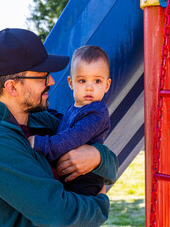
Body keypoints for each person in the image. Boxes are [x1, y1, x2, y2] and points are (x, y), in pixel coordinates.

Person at [0, 28, 118, 227]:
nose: (52, 81)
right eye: (42, 76)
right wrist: (100, 205)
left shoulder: (42, 119)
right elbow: (60, 216)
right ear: (12, 87)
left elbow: (111, 165)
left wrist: (97, 157)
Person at [28, 45, 112, 196]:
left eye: (97, 81)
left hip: (85, 182)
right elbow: (65, 122)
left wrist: (42, 144)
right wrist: (46, 112)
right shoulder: (75, 108)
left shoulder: (97, 112)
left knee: (75, 213)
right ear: (71, 83)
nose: (89, 88)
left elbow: (72, 137)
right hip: (70, 178)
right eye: (82, 81)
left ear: (107, 85)